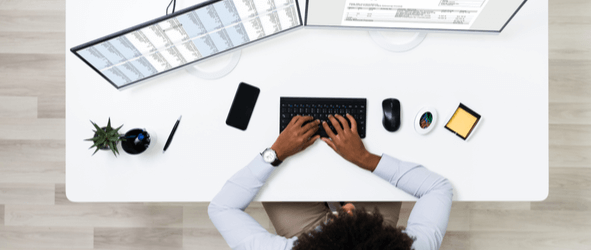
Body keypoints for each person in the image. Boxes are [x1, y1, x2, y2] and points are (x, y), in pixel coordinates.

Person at [209, 114, 453, 250]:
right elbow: (438, 189)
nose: (347, 207)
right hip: (374, 235)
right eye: (349, 212)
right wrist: (365, 159)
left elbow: (222, 208)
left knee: (283, 185)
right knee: (375, 190)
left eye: (342, 215)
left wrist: (274, 154)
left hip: (306, 236)